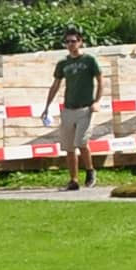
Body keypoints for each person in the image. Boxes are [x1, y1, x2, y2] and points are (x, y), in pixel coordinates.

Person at [46, 32, 101, 191]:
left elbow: (100, 80)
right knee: (69, 147)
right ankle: (73, 180)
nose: (70, 44)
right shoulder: (63, 63)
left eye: (73, 41)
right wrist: (47, 106)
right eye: (67, 41)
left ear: (80, 42)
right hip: (69, 108)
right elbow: (56, 84)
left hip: (85, 108)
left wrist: (96, 102)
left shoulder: (89, 60)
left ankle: (90, 171)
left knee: (81, 142)